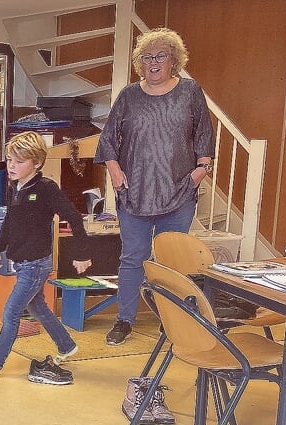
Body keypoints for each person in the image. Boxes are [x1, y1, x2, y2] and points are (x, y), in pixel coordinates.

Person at [94, 27, 215, 346]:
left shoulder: (190, 91)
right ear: (140, 62)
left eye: (161, 55)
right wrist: (114, 168)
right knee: (133, 257)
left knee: (172, 258)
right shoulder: (129, 96)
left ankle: (170, 319)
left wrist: (201, 170)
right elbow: (108, 138)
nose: (154, 62)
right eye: (147, 57)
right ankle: (124, 319)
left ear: (174, 60)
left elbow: (204, 132)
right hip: (135, 192)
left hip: (178, 191)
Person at [0, 132, 93, 385]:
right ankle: (66, 345)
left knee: (10, 313)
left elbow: (74, 217)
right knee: (37, 306)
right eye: (9, 160)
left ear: (37, 163)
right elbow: (10, 221)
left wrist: (83, 252)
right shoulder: (16, 187)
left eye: (19, 162)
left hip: (35, 265)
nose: (11, 166)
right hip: (22, 264)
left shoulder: (46, 189)